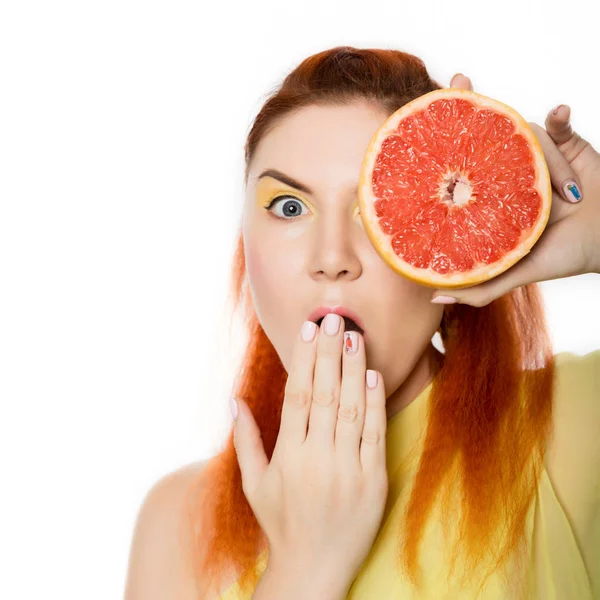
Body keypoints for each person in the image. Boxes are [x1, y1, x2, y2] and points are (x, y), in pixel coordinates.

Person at [124, 46, 600, 600]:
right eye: (289, 208)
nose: (332, 256)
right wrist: (305, 570)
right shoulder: (179, 520)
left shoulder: (568, 426)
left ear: (446, 237)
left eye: (372, 208)